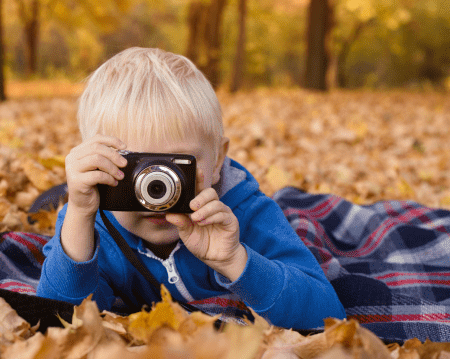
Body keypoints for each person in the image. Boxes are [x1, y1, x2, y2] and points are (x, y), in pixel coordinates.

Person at [35, 47, 345, 330]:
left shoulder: (245, 215)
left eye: (177, 167)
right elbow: (58, 320)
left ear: (218, 160)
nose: (156, 193)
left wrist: (236, 260)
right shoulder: (91, 225)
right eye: (135, 169)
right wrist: (78, 215)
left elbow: (328, 316)